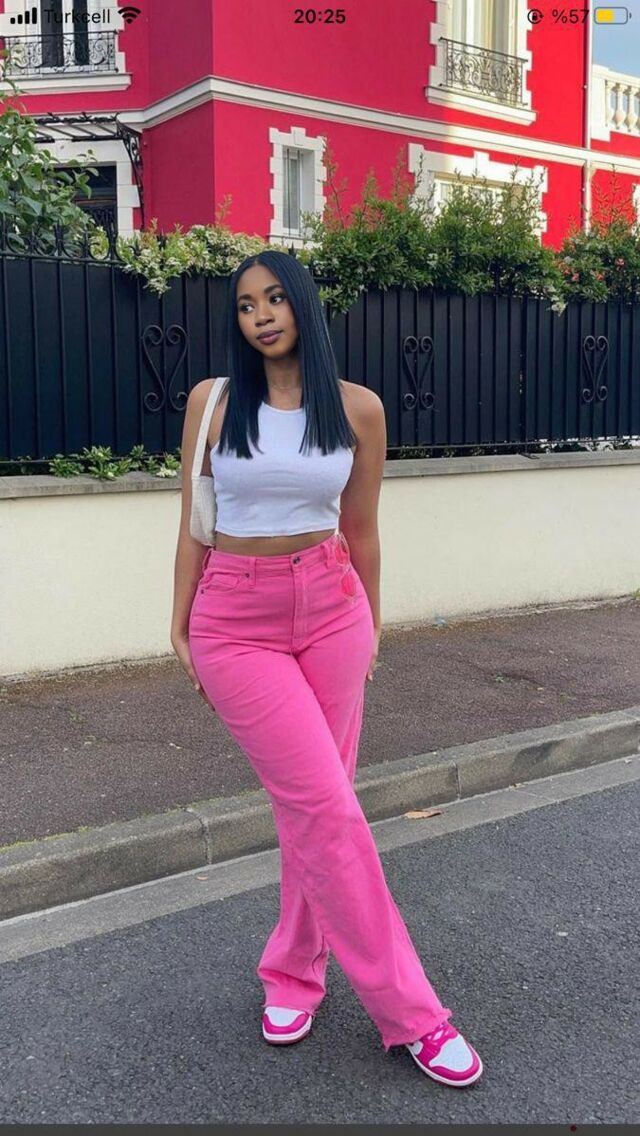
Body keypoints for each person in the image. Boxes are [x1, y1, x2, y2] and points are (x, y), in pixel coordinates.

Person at [170, 250, 482, 1088]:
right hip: (236, 620)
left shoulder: (357, 408)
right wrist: (179, 623)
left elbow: (364, 528)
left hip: (334, 608)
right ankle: (414, 1014)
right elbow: (194, 521)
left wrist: (372, 624)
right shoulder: (213, 402)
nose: (261, 316)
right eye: (246, 305)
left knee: (320, 808)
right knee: (326, 811)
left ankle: (292, 974)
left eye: (275, 298)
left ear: (303, 304)